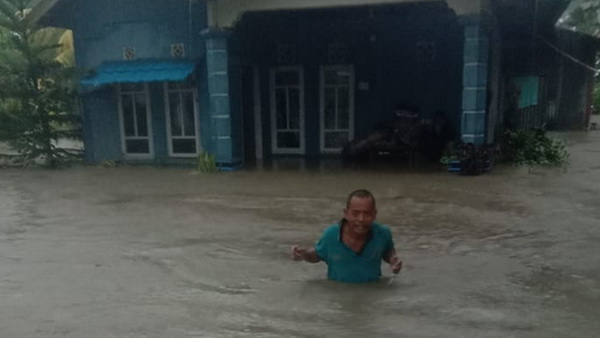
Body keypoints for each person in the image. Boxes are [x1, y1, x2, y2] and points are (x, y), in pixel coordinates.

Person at [291, 189, 403, 283]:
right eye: (355, 214)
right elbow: (317, 255)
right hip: (338, 293)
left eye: (367, 214)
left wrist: (393, 261)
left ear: (374, 214)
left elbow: (388, 252)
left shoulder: (383, 234)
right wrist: (304, 254)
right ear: (346, 213)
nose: (361, 219)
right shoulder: (331, 235)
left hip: (372, 292)